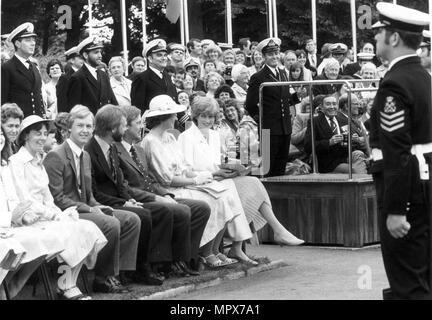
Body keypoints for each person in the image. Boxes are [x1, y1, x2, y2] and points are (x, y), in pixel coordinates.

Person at [178, 96, 304, 252]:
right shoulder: (186, 137)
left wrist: (233, 167)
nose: (208, 120)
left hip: (218, 180)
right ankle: (268, 234)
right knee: (241, 191)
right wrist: (214, 173)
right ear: (195, 116)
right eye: (204, 116)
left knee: (253, 182)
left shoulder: (215, 135)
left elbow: (217, 161)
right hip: (201, 185)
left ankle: (264, 235)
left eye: (211, 116)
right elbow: (187, 172)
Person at [141, 95, 253, 268]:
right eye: (172, 115)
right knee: (215, 200)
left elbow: (184, 167)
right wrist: (197, 179)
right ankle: (206, 252)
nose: (175, 118)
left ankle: (213, 250)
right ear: (163, 118)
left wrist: (205, 175)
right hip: (170, 190)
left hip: (185, 183)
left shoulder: (169, 138)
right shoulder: (151, 141)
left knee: (225, 196)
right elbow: (167, 179)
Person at [369, 2, 432, 300]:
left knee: (408, 284)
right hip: (424, 183)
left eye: (380, 32)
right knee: (422, 275)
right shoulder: (423, 77)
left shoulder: (395, 84)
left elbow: (397, 153)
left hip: (408, 191)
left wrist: (396, 210)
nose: (376, 38)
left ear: (394, 38)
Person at [43, 105, 141, 293]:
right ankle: (101, 277)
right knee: (110, 224)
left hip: (85, 208)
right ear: (69, 128)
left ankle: (119, 273)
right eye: (80, 126)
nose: (85, 130)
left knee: (131, 219)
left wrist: (99, 206)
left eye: (89, 126)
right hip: (68, 213)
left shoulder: (85, 155)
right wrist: (90, 209)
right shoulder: (56, 155)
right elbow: (58, 199)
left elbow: (89, 196)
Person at [8, 115, 107, 300]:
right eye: (38, 133)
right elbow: (25, 198)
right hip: (29, 219)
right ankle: (64, 286)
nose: (42, 138)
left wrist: (58, 213)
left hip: (46, 216)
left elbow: (47, 197)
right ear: (25, 136)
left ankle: (68, 283)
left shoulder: (39, 160)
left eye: (45, 133)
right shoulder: (16, 161)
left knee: (85, 228)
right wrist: (51, 215)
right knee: (67, 232)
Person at [116, 105, 211, 273]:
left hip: (155, 192)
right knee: (175, 210)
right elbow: (125, 186)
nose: (142, 126)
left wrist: (165, 194)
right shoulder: (116, 150)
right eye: (138, 123)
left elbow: (149, 179)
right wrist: (157, 197)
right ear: (125, 126)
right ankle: (165, 263)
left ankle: (187, 257)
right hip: (136, 199)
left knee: (201, 208)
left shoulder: (137, 148)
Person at [246, 38, 298, 177]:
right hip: (268, 129)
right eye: (270, 54)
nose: (274, 57)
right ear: (264, 57)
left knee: (281, 167)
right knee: (267, 168)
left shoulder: (283, 73)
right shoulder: (258, 77)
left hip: (285, 128)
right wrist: (263, 120)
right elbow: (250, 105)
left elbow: (287, 98)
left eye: (276, 53)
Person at [304, 94, 368, 174]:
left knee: (359, 154)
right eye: (328, 104)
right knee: (354, 170)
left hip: (345, 156)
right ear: (322, 107)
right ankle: (362, 182)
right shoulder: (314, 122)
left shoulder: (343, 120)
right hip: (328, 162)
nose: (332, 107)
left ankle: (362, 181)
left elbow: (349, 143)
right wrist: (329, 142)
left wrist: (353, 139)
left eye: (334, 104)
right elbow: (308, 146)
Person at [1, 23, 45, 117]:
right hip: (17, 124)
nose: (33, 43)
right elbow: (3, 100)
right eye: (28, 40)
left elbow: (38, 97)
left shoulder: (34, 67)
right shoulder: (7, 68)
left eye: (33, 40)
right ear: (18, 44)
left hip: (37, 122)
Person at [67, 36, 118, 114]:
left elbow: (113, 101)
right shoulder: (77, 77)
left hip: (106, 123)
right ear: (85, 55)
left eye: (100, 52)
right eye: (96, 52)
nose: (100, 55)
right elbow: (74, 110)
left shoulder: (103, 75)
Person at [131, 39, 177, 113]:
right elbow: (138, 108)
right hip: (153, 123)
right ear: (150, 58)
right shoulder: (141, 78)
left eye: (165, 55)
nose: (164, 58)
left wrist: (187, 123)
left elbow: (175, 102)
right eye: (159, 55)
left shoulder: (167, 76)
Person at [56, 46, 84, 113]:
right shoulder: (65, 78)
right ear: (72, 60)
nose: (83, 60)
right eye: (80, 58)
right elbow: (62, 102)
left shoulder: (85, 75)